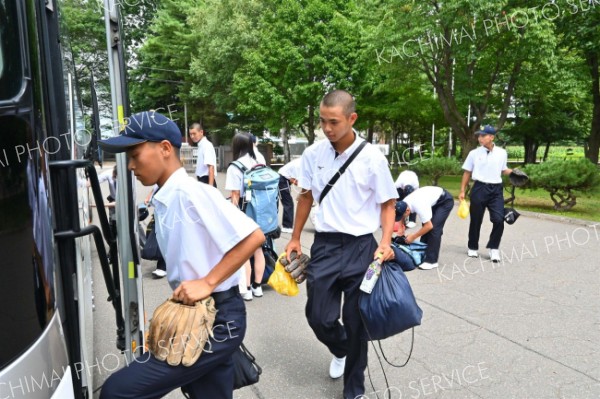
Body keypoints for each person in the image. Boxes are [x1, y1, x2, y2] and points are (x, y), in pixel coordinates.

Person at [97, 111, 264, 399]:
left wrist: (208, 282)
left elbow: (253, 236)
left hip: (217, 319)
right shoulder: (167, 196)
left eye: (135, 155)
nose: (131, 166)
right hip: (194, 314)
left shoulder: (190, 193)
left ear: (164, 148)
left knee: (117, 391)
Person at [285, 90, 397, 399]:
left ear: (352, 119)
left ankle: (354, 390)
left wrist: (385, 242)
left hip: (363, 247)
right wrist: (294, 237)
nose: (327, 128)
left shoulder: (372, 157)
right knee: (318, 315)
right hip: (325, 245)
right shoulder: (313, 154)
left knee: (356, 320)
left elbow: (388, 204)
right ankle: (341, 348)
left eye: (333, 122)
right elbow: (305, 196)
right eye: (322, 121)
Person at [459, 125, 513, 262]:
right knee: (476, 220)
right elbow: (467, 172)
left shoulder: (502, 153)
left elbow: (503, 169)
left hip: (496, 190)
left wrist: (513, 173)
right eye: (479, 135)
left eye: (483, 135)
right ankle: (472, 247)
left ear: (492, 137)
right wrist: (462, 191)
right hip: (479, 188)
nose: (480, 138)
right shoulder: (474, 153)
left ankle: (493, 248)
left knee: (499, 219)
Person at [225, 132, 267, 301]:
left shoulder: (235, 166)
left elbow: (235, 195)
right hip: (262, 210)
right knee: (258, 248)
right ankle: (258, 287)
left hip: (244, 210)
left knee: (244, 250)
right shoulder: (260, 160)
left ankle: (246, 288)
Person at [395, 186, 454, 270]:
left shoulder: (419, 205)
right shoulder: (404, 203)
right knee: (425, 228)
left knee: (434, 229)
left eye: (402, 215)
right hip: (433, 200)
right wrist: (401, 228)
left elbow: (429, 226)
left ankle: (432, 261)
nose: (401, 217)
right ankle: (423, 254)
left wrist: (413, 236)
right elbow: (401, 214)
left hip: (445, 201)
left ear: (407, 211)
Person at [277, 157, 302, 234]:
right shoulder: (299, 165)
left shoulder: (301, 161)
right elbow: (294, 180)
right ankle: (287, 227)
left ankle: (285, 225)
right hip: (282, 179)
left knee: (283, 202)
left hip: (283, 178)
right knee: (288, 203)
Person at [189, 122, 217, 187]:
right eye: (190, 134)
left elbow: (211, 167)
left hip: (206, 181)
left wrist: (210, 187)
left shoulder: (206, 145)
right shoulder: (202, 145)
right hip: (203, 180)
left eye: (194, 134)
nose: (192, 136)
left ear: (201, 132)